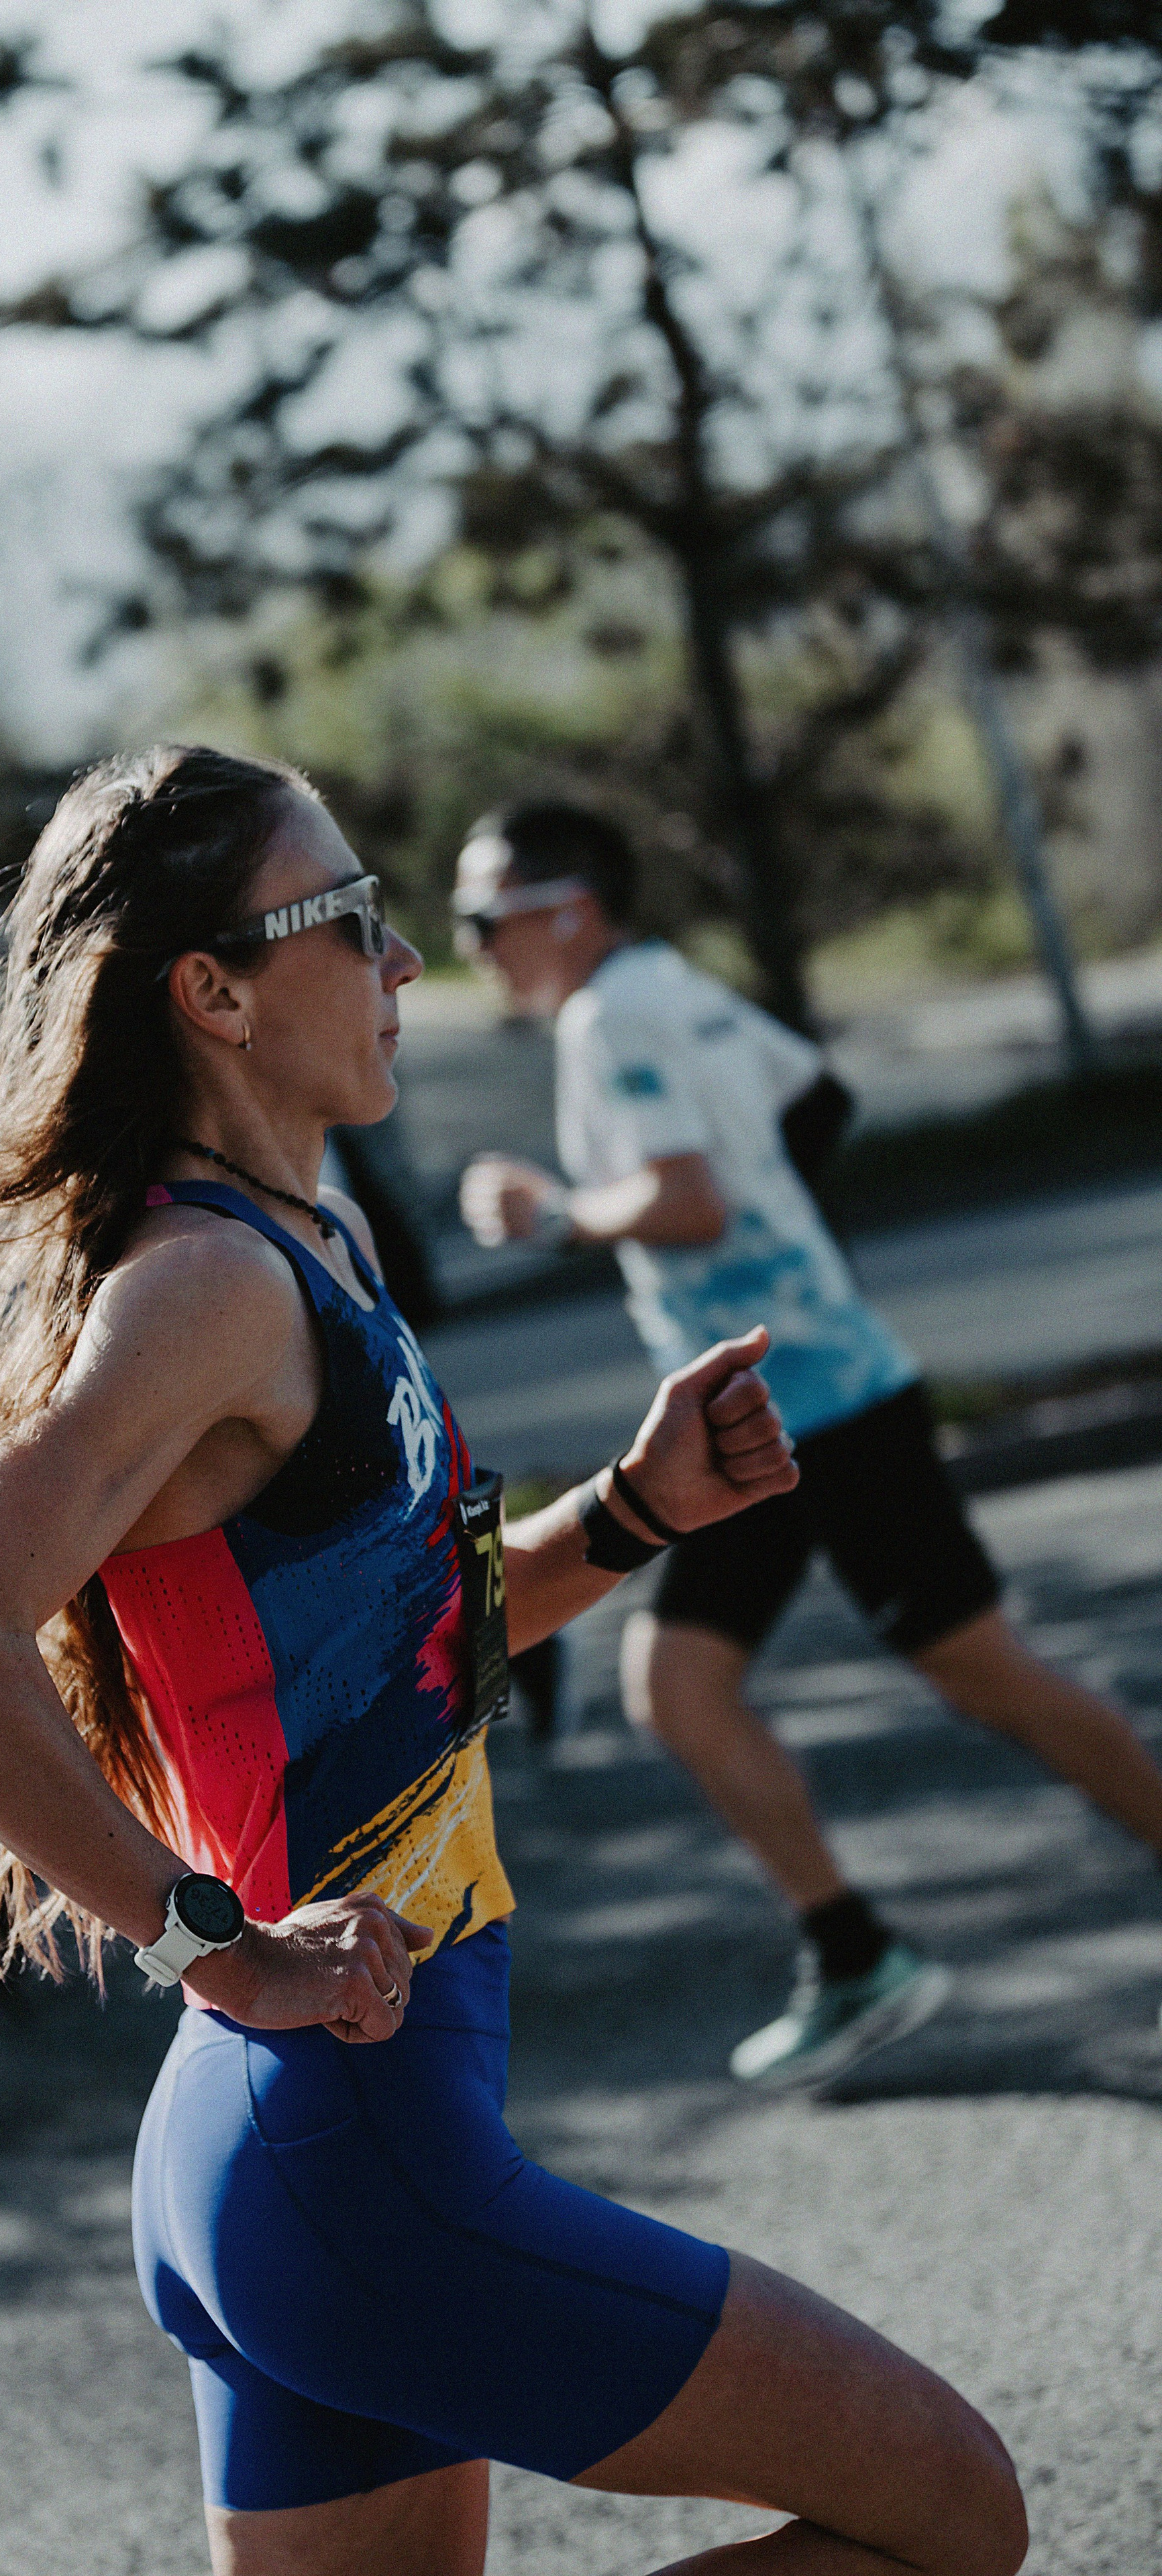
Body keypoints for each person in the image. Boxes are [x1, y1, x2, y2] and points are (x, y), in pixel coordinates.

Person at [0, 746, 1026, 2575]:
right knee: (950, 2512)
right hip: (352, 2155)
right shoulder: (201, 1287)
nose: (402, 967)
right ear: (213, 991)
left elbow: (418, 1650)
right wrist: (208, 1944)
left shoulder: (316, 1239)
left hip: (305, 2148)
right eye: (355, 921)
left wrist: (631, 1508)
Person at [456, 797, 1162, 2092]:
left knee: (983, 1675)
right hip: (769, 1404)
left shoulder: (613, 1015)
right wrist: (775, 1253)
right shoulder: (675, 988)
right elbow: (817, 1099)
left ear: (573, 907)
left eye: (486, 916)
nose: (473, 944)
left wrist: (559, 1215)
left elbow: (690, 1196)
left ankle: (856, 1953)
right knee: (680, 1683)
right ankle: (852, 1954)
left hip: (811, 1409)